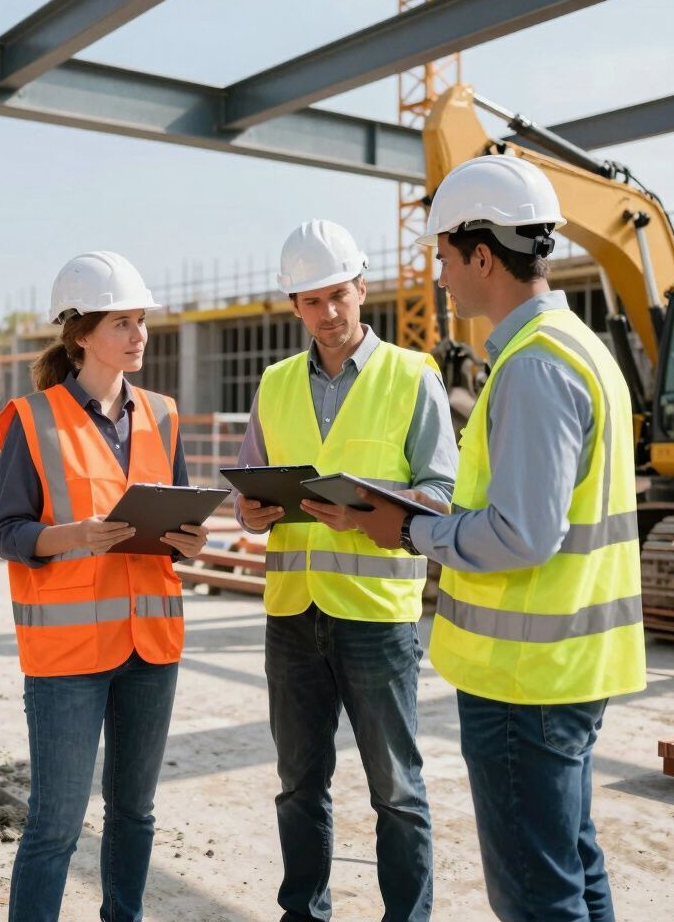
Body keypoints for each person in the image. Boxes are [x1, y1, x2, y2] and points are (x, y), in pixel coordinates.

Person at [347, 156, 646, 922]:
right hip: (567, 666)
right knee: (573, 870)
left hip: (527, 680)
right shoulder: (576, 347)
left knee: (537, 896)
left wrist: (410, 528)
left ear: (483, 255)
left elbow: (523, 534)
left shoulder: (533, 367)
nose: (442, 277)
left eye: (444, 257)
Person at [234, 220, 457, 922]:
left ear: (362, 289)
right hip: (293, 613)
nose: (327, 312)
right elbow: (248, 496)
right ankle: (303, 912)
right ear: (294, 306)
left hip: (375, 618)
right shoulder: (272, 385)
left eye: (338, 295)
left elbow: (442, 494)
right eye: (311, 300)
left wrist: (364, 509)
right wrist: (253, 515)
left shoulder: (412, 375)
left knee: (396, 789)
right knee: (299, 785)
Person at [0, 251, 207, 922]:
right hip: (68, 658)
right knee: (55, 824)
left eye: (142, 322)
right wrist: (72, 536)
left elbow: (174, 515)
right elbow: (7, 531)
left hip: (152, 648)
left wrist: (192, 542)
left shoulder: (165, 415)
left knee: (135, 812)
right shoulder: (33, 419)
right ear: (81, 334)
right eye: (123, 323)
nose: (139, 336)